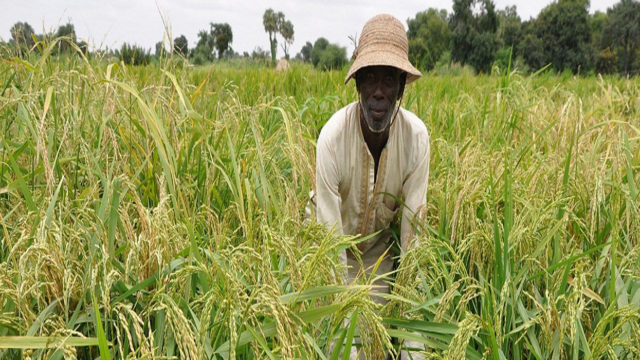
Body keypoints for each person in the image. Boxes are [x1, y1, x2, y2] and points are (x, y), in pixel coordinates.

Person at [314, 13, 430, 360]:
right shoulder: (332, 139)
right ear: (358, 85)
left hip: (379, 257)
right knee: (345, 348)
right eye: (370, 79)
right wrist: (341, 307)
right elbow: (329, 242)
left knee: (409, 346)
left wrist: (411, 318)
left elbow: (414, 235)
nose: (378, 92)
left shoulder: (417, 140)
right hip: (330, 256)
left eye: (388, 80)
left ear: (401, 88)